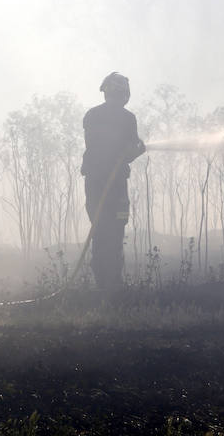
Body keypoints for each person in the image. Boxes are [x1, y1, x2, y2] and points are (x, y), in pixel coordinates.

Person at [81, 72, 146, 290]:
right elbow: (115, 149)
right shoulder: (125, 118)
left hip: (108, 185)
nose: (121, 99)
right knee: (107, 229)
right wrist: (134, 152)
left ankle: (110, 284)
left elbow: (128, 148)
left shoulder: (93, 115)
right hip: (108, 185)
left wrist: (134, 152)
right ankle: (108, 285)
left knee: (112, 228)